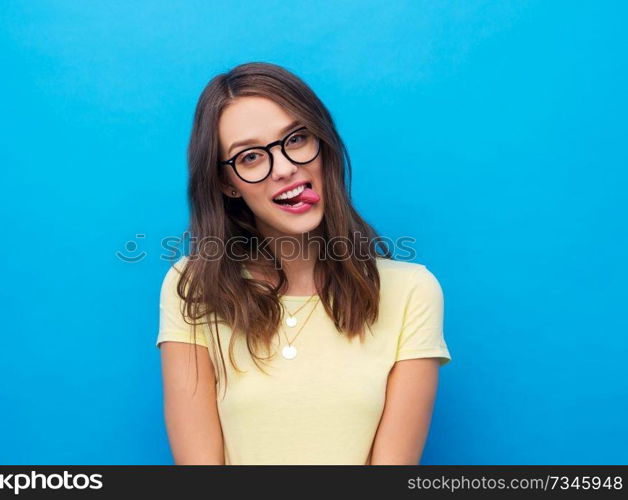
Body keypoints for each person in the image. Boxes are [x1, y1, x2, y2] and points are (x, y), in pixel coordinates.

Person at [156, 62, 452, 465]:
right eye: (250, 157)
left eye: (296, 139)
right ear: (227, 184)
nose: (285, 168)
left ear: (323, 142)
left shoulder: (412, 291)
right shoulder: (192, 287)